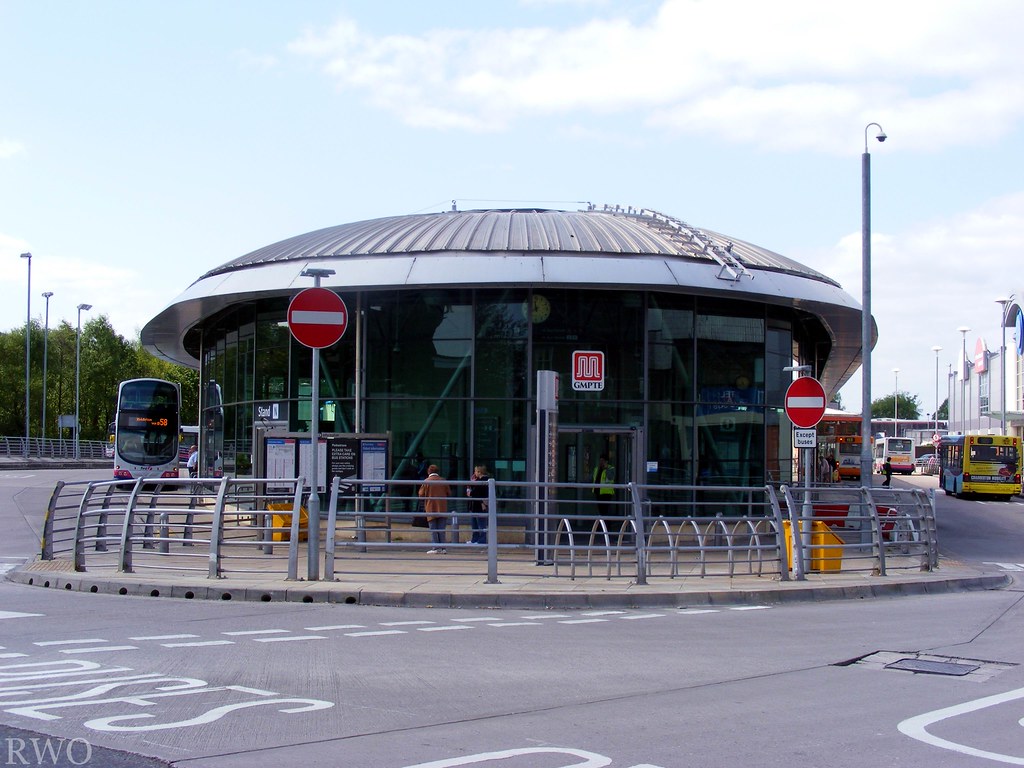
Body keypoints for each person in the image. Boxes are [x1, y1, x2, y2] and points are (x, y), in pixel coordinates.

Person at [418, 465, 451, 553]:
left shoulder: (426, 482)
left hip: (431, 507)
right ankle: (444, 548)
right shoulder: (443, 481)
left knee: (433, 529)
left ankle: (435, 548)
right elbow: (449, 492)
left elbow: (421, 494)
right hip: (442, 507)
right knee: (441, 529)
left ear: (428, 472)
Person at [466, 465, 491, 545]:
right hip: (475, 505)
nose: (474, 473)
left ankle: (481, 540)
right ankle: (475, 539)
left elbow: (477, 492)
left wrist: (471, 491)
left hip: (480, 505)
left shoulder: (484, 480)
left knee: (481, 524)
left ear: (479, 472)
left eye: (475, 471)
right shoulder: (478, 480)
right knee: (475, 524)